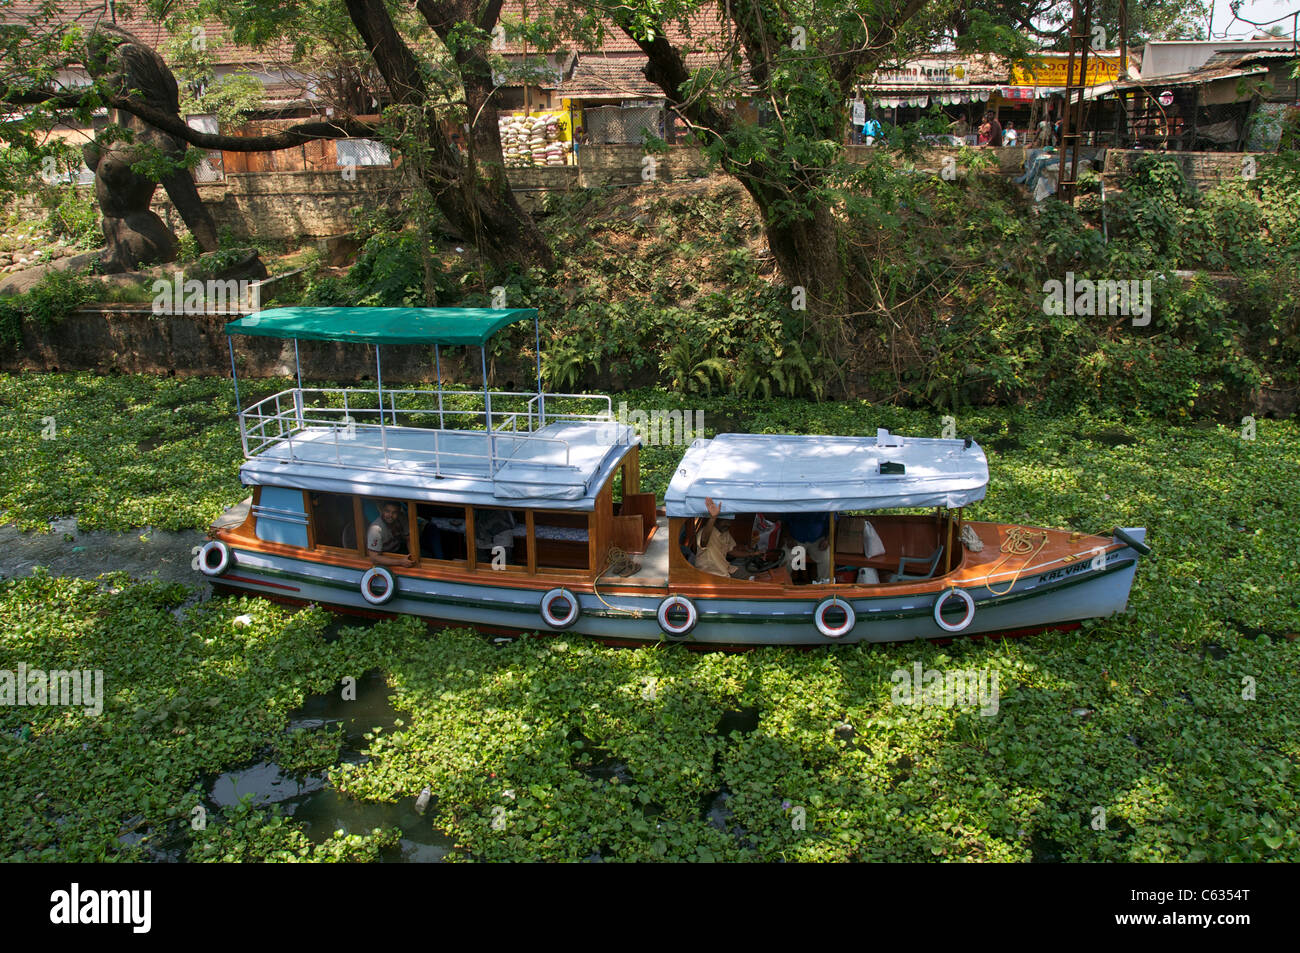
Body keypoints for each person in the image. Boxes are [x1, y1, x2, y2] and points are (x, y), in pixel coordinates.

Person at [695, 497, 756, 577]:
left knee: (752, 575)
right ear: (717, 520)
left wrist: (752, 554)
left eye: (729, 521)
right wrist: (713, 517)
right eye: (725, 521)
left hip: (725, 568)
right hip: (711, 573)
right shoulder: (707, 531)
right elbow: (703, 540)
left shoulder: (725, 532)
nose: (728, 524)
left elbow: (732, 551)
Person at [783, 512, 832, 583]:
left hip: (817, 540)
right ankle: (784, 585)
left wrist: (827, 540)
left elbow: (833, 521)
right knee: (786, 559)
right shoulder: (793, 502)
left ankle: (823, 585)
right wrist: (789, 538)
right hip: (796, 540)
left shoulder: (824, 502)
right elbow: (784, 521)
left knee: (827, 560)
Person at [367, 500, 415, 567]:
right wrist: (400, 562)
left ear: (399, 513)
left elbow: (408, 538)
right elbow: (374, 558)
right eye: (387, 511)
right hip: (385, 557)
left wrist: (413, 556)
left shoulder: (401, 518)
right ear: (382, 511)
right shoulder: (376, 529)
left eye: (394, 512)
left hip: (399, 550)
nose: (390, 515)